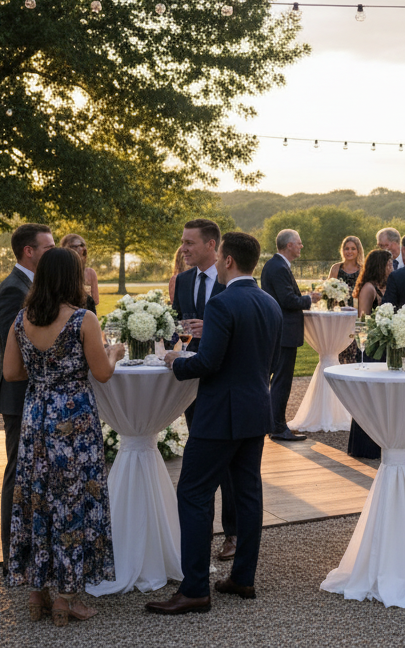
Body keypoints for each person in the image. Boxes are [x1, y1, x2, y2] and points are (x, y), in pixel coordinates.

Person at [148, 232, 283, 616]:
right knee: (247, 494)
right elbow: (272, 363)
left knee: (192, 492)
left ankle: (193, 590)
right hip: (256, 410)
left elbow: (207, 363)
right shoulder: (269, 303)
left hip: (219, 415)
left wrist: (176, 361)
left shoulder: (222, 304)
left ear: (226, 260)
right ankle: (242, 578)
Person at [1, 246, 125, 625]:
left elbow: (11, 373)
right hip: (74, 420)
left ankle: (37, 593)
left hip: (37, 418)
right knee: (72, 501)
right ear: (73, 277)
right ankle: (67, 598)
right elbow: (102, 373)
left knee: (37, 500)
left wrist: (43, 376)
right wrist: (114, 353)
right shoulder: (83, 319)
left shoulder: (22, 320)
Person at [169, 219, 237, 561]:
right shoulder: (180, 281)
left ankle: (233, 532)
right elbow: (174, 327)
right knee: (198, 456)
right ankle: (199, 532)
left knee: (225, 464)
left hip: (221, 382)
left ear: (212, 245)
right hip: (189, 380)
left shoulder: (231, 283)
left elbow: (238, 329)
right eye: (183, 242)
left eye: (190, 243)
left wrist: (208, 327)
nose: (184, 248)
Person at [0, 222, 53, 570]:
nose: (54, 252)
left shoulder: (34, 286)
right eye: (48, 248)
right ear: (29, 251)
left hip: (38, 394)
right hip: (20, 396)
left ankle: (33, 549)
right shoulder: (13, 291)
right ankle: (11, 555)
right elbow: (12, 352)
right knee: (17, 475)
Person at [260, 229, 320, 442]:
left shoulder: (276, 265)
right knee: (282, 381)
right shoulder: (278, 267)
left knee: (278, 380)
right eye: (299, 243)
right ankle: (277, 427)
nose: (301, 246)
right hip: (283, 332)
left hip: (280, 331)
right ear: (288, 245)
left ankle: (273, 423)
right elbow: (287, 300)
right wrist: (308, 299)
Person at [345, 248, 392, 460]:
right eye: (389, 264)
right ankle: (363, 447)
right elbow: (362, 320)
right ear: (380, 266)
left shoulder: (386, 287)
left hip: (382, 346)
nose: (392, 268)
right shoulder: (369, 289)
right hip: (371, 347)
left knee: (380, 397)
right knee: (368, 395)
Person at [60, 234, 99, 313]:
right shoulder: (59, 272)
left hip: (87, 313)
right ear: (68, 248)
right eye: (79, 245)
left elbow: (96, 300)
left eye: (83, 245)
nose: (83, 248)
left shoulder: (90, 273)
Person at [328, 236, 363, 307]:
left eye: (353, 249)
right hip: (338, 310)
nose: (349, 251)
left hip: (357, 310)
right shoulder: (336, 268)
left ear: (358, 251)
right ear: (342, 250)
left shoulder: (363, 269)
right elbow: (328, 290)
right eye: (347, 249)